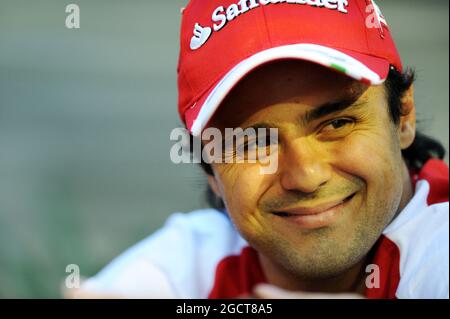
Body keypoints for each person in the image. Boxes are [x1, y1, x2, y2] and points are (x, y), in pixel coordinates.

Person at [75, 0, 449, 299]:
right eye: (253, 143)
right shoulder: (187, 265)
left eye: (337, 124)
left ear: (403, 116)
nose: (305, 176)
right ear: (212, 172)